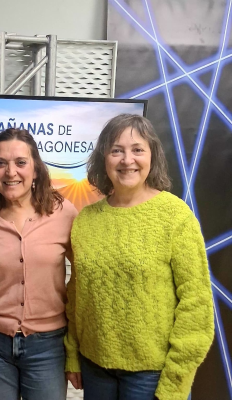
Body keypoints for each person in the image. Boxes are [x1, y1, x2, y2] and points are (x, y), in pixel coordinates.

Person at [64, 114, 214, 400]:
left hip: (152, 375)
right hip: (94, 367)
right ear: (104, 158)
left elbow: (196, 304)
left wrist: (175, 382)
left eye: (137, 149)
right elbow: (77, 294)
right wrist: (72, 353)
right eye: (116, 150)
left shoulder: (175, 217)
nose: (127, 160)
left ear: (152, 156)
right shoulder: (86, 220)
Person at [0, 128, 78, 400]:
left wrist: (76, 341)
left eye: (21, 162)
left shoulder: (64, 213)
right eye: (0, 163)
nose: (10, 172)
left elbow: (84, 276)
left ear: (36, 169)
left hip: (49, 346)